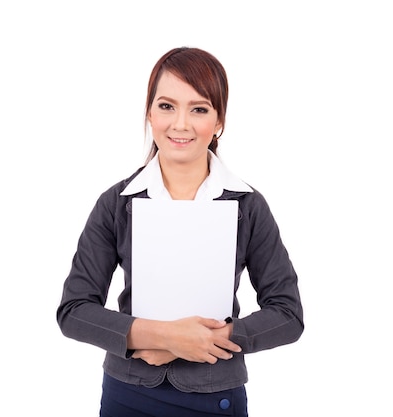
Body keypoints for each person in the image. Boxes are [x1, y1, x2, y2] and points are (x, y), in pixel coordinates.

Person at [57, 46, 304, 417]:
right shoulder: (115, 203)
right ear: (149, 113)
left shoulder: (248, 206)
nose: (181, 124)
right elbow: (74, 311)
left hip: (214, 397)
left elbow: (288, 314)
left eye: (199, 109)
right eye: (167, 106)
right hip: (129, 396)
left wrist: (208, 341)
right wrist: (162, 336)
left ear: (219, 121)